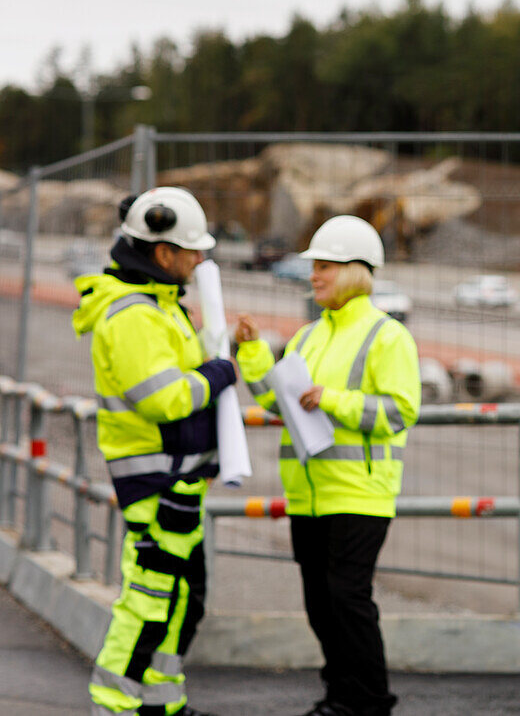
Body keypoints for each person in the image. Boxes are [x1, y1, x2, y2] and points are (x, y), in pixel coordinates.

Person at [234, 215, 420, 716]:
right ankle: (340, 697)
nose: (313, 275)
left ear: (356, 271)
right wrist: (251, 353)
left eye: (324, 266)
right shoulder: (308, 337)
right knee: (321, 604)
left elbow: (401, 411)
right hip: (308, 494)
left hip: (359, 493)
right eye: (313, 266)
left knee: (348, 601)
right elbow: (279, 403)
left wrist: (333, 399)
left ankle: (368, 702)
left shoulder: (387, 336)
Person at [73, 187, 236, 716]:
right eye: (193, 250)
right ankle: (114, 707)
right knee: (149, 603)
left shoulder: (160, 307)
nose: (200, 261)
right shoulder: (134, 316)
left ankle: (160, 704)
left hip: (177, 480)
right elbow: (164, 398)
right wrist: (217, 373)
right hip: (155, 483)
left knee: (182, 602)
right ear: (163, 254)